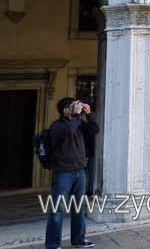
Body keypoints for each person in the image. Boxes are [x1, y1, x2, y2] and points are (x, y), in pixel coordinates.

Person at [45, 97, 99, 249]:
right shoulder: (57, 126)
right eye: (73, 106)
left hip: (79, 171)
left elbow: (94, 130)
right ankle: (52, 245)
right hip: (63, 173)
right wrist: (76, 116)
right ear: (65, 111)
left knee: (79, 208)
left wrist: (89, 114)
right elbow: (69, 131)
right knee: (58, 209)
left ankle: (79, 240)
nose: (77, 108)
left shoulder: (79, 123)